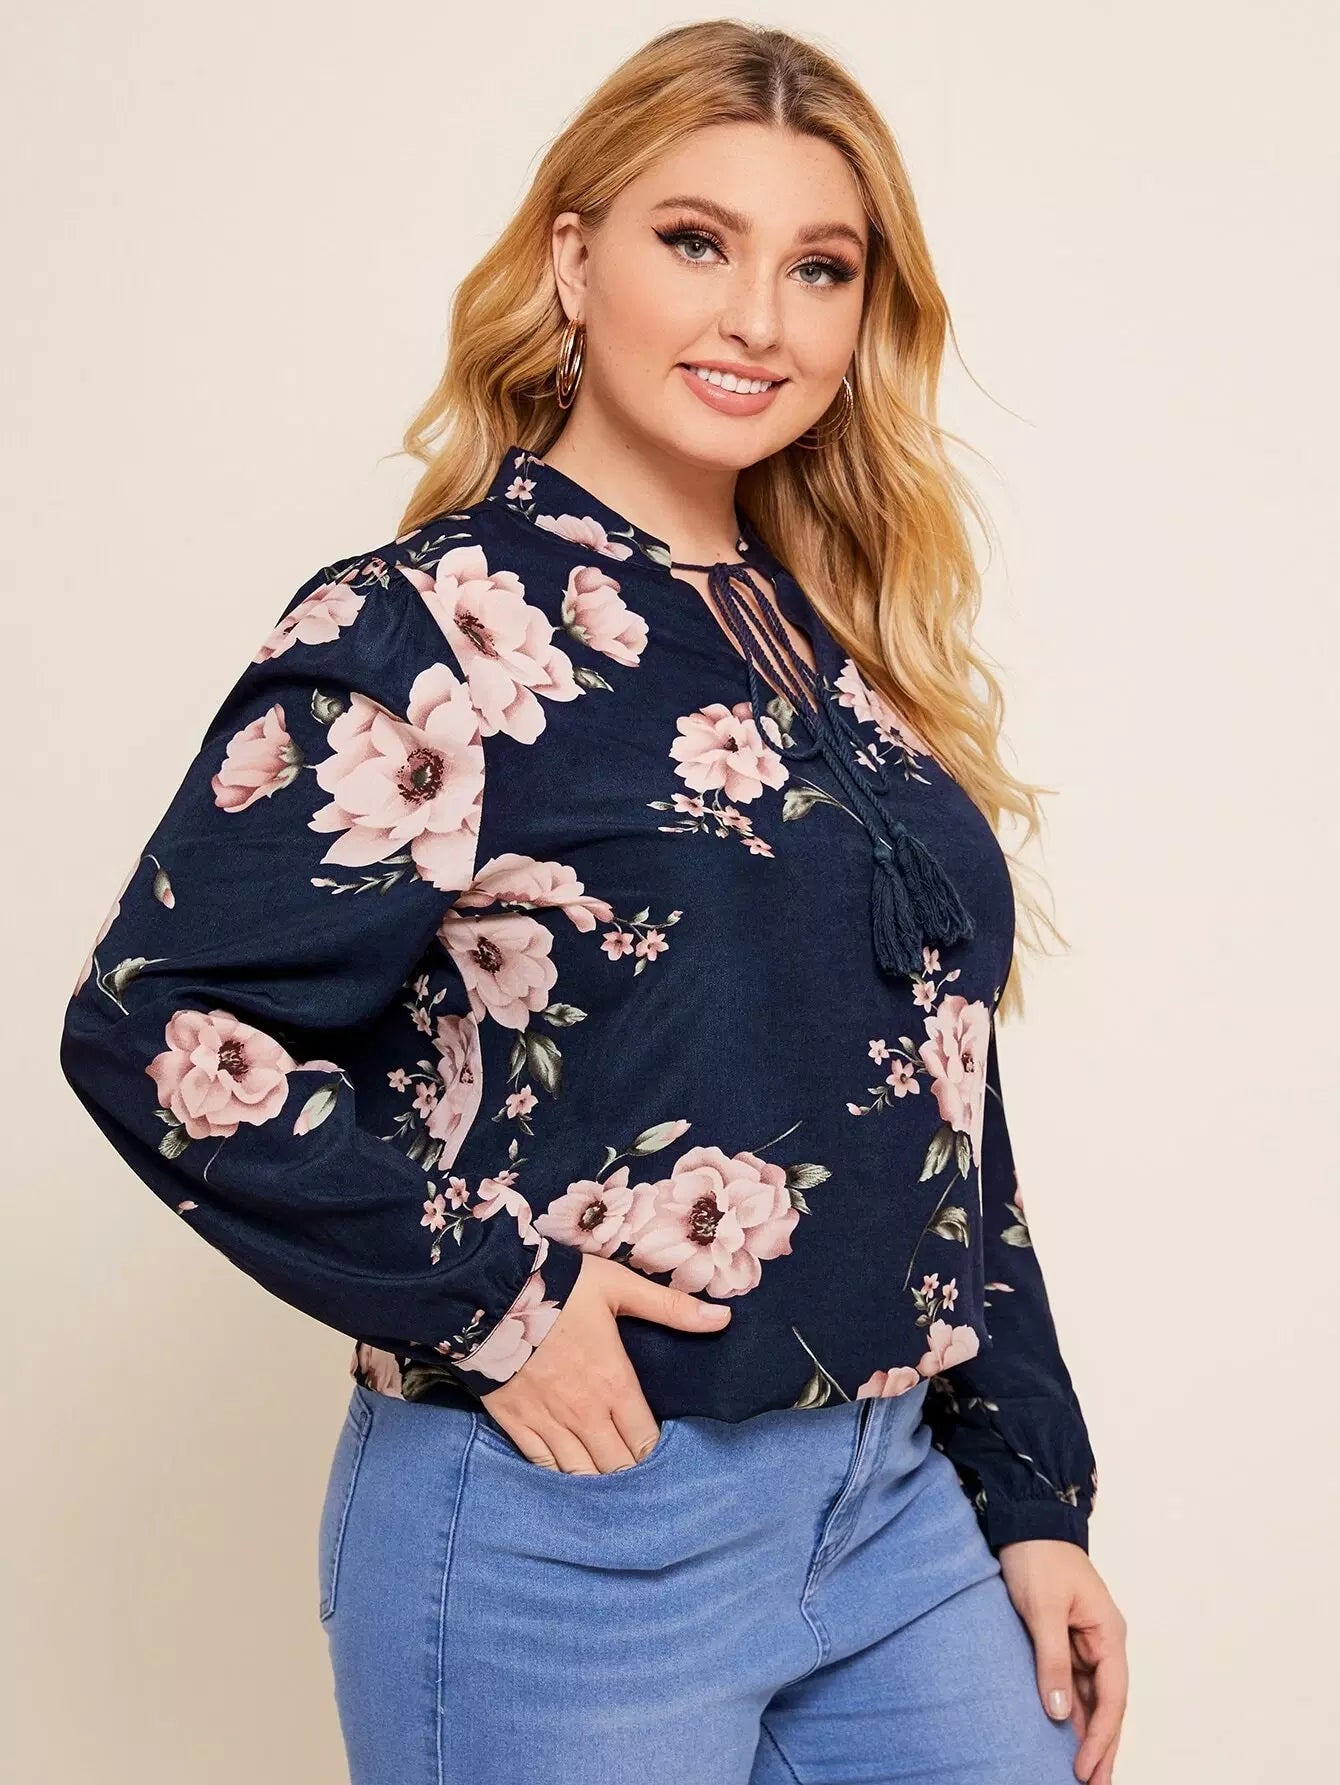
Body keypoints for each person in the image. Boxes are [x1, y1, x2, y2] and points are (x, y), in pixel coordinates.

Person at [57, 19, 1128, 1785]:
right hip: (573, 1528)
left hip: (892, 1513)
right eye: (697, 241)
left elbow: (940, 1096)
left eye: (820, 267)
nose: (758, 318)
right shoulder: (432, 627)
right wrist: (501, 1298)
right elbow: (151, 1024)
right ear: (573, 259)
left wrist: (1029, 1490)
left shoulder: (838, 648)